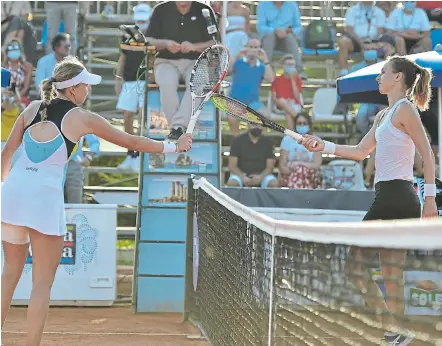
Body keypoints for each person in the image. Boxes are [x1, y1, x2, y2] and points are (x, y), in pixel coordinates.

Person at [1, 57, 192, 345]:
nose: (88, 91)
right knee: (41, 284)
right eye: (86, 86)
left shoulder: (31, 109)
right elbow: (133, 142)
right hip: (42, 200)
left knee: (9, 275)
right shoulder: (82, 118)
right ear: (74, 88)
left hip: (12, 195)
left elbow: (6, 157)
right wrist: (172, 146)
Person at [300, 55, 437, 345]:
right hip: (388, 195)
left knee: (355, 266)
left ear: (398, 78)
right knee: (390, 274)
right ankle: (399, 331)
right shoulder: (382, 116)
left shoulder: (406, 110)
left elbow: (428, 155)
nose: (379, 77)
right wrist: (321, 145)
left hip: (399, 196)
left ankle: (394, 325)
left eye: (383, 72)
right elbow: (361, 151)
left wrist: (430, 199)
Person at [146, 1, 216, 140]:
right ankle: (180, 129)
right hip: (166, 61)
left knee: (198, 82)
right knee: (166, 83)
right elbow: (148, 40)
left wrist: (194, 47)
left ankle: (177, 128)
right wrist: (165, 43)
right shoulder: (160, 10)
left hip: (196, 61)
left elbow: (214, 42)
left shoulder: (205, 10)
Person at [115, 3, 152, 172]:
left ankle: (140, 153)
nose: (141, 22)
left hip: (146, 81)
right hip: (129, 80)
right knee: (128, 116)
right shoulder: (127, 34)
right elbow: (122, 57)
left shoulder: (154, 33)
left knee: (142, 117)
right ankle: (130, 154)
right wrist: (117, 78)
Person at [228, 37, 274, 136]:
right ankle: (238, 142)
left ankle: (258, 142)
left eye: (256, 47)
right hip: (235, 101)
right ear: (246, 47)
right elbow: (226, 70)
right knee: (232, 118)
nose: (253, 49)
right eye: (251, 47)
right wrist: (236, 56)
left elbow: (271, 79)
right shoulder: (238, 62)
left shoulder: (261, 66)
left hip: (253, 102)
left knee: (265, 118)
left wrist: (265, 60)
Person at [257, 1, 305, 78]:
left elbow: (298, 27)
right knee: (270, 37)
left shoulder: (292, 5)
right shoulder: (263, 5)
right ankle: (265, 70)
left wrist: (289, 31)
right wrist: (275, 30)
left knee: (289, 37)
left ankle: (298, 71)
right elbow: (261, 27)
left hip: (286, 38)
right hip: (268, 39)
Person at [337, 1, 386, 76]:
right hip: (355, 40)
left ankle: (381, 75)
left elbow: (380, 31)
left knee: (386, 46)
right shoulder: (352, 10)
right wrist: (360, 42)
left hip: (373, 41)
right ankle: (344, 73)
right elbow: (349, 29)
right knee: (342, 42)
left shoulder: (379, 12)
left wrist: (370, 43)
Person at [279, 113, 321, 189]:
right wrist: (296, 171)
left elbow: (317, 165)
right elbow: (282, 166)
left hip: (309, 175)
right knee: (299, 172)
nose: (302, 125)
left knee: (301, 170)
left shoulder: (316, 140)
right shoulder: (287, 140)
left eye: (304, 123)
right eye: (299, 123)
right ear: (295, 124)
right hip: (289, 174)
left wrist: (299, 164)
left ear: (309, 125)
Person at [65, 134, 100, 203]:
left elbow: (95, 142)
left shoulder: (80, 123)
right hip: (51, 166)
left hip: (73, 164)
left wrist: (88, 157)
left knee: (75, 205)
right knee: (51, 205)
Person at [271, 54, 303, 130]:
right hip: (280, 106)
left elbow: (297, 97)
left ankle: (291, 136)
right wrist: (284, 103)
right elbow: (274, 99)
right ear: (283, 66)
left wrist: (292, 80)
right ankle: (299, 118)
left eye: (292, 65)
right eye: (288, 64)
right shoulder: (277, 80)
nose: (291, 67)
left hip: (294, 105)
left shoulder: (297, 79)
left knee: (288, 114)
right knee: (281, 100)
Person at [3, 39, 32, 106]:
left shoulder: (27, 66)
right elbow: (3, 87)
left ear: (20, 51)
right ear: (7, 52)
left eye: (16, 49)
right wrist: (7, 98)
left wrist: (16, 97)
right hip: (5, 97)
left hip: (22, 97)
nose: (14, 51)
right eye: (11, 49)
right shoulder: (3, 67)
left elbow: (26, 87)